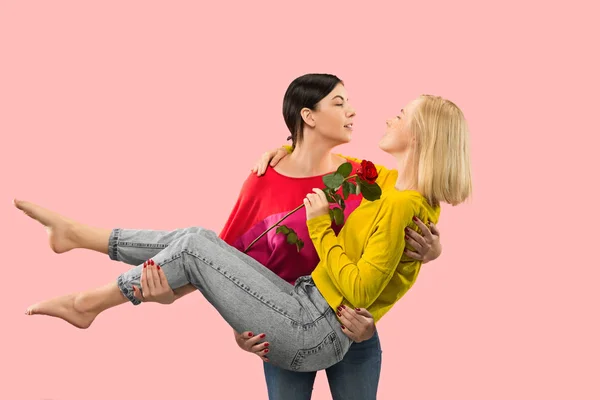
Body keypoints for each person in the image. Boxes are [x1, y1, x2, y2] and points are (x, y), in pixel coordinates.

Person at [15, 82, 470, 380]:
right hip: (294, 307)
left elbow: (366, 282)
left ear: (422, 136)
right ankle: (80, 237)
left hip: (321, 323)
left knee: (194, 243)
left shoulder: (386, 194)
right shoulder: (372, 180)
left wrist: (321, 231)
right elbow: (230, 261)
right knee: (196, 239)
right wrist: (286, 148)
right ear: (308, 118)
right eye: (340, 103)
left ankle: (88, 302)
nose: (369, 114)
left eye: (401, 115)